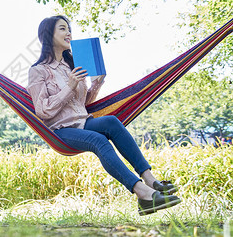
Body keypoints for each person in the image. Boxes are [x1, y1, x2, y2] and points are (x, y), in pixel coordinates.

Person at [27, 15, 181, 216]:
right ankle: (143, 194)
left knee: (112, 121)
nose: (69, 33)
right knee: (99, 140)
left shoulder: (73, 66)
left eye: (69, 29)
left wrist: (96, 84)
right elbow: (43, 110)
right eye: (63, 29)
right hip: (61, 131)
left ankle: (150, 179)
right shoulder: (38, 71)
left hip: (83, 122)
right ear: (48, 35)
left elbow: (84, 103)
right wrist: (70, 85)